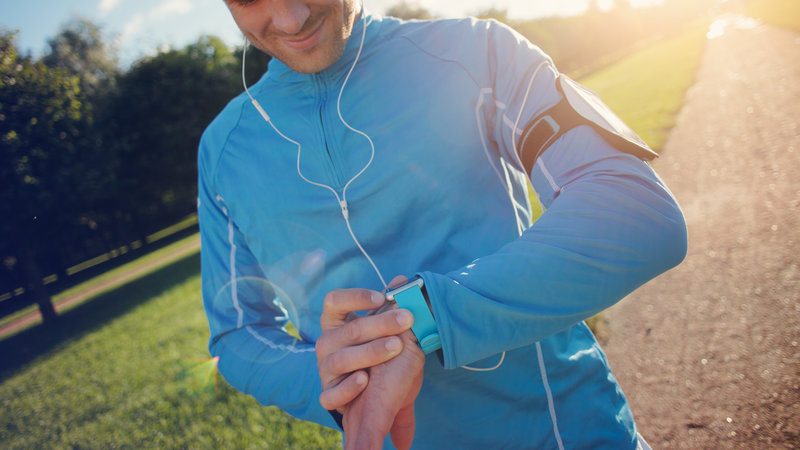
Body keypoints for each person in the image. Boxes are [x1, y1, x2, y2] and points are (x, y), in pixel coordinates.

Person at [197, 0, 688, 448]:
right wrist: (337, 376)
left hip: (570, 433)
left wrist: (420, 319)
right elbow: (236, 334)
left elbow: (635, 210)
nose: (288, 18)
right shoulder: (222, 154)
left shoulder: (477, 52)